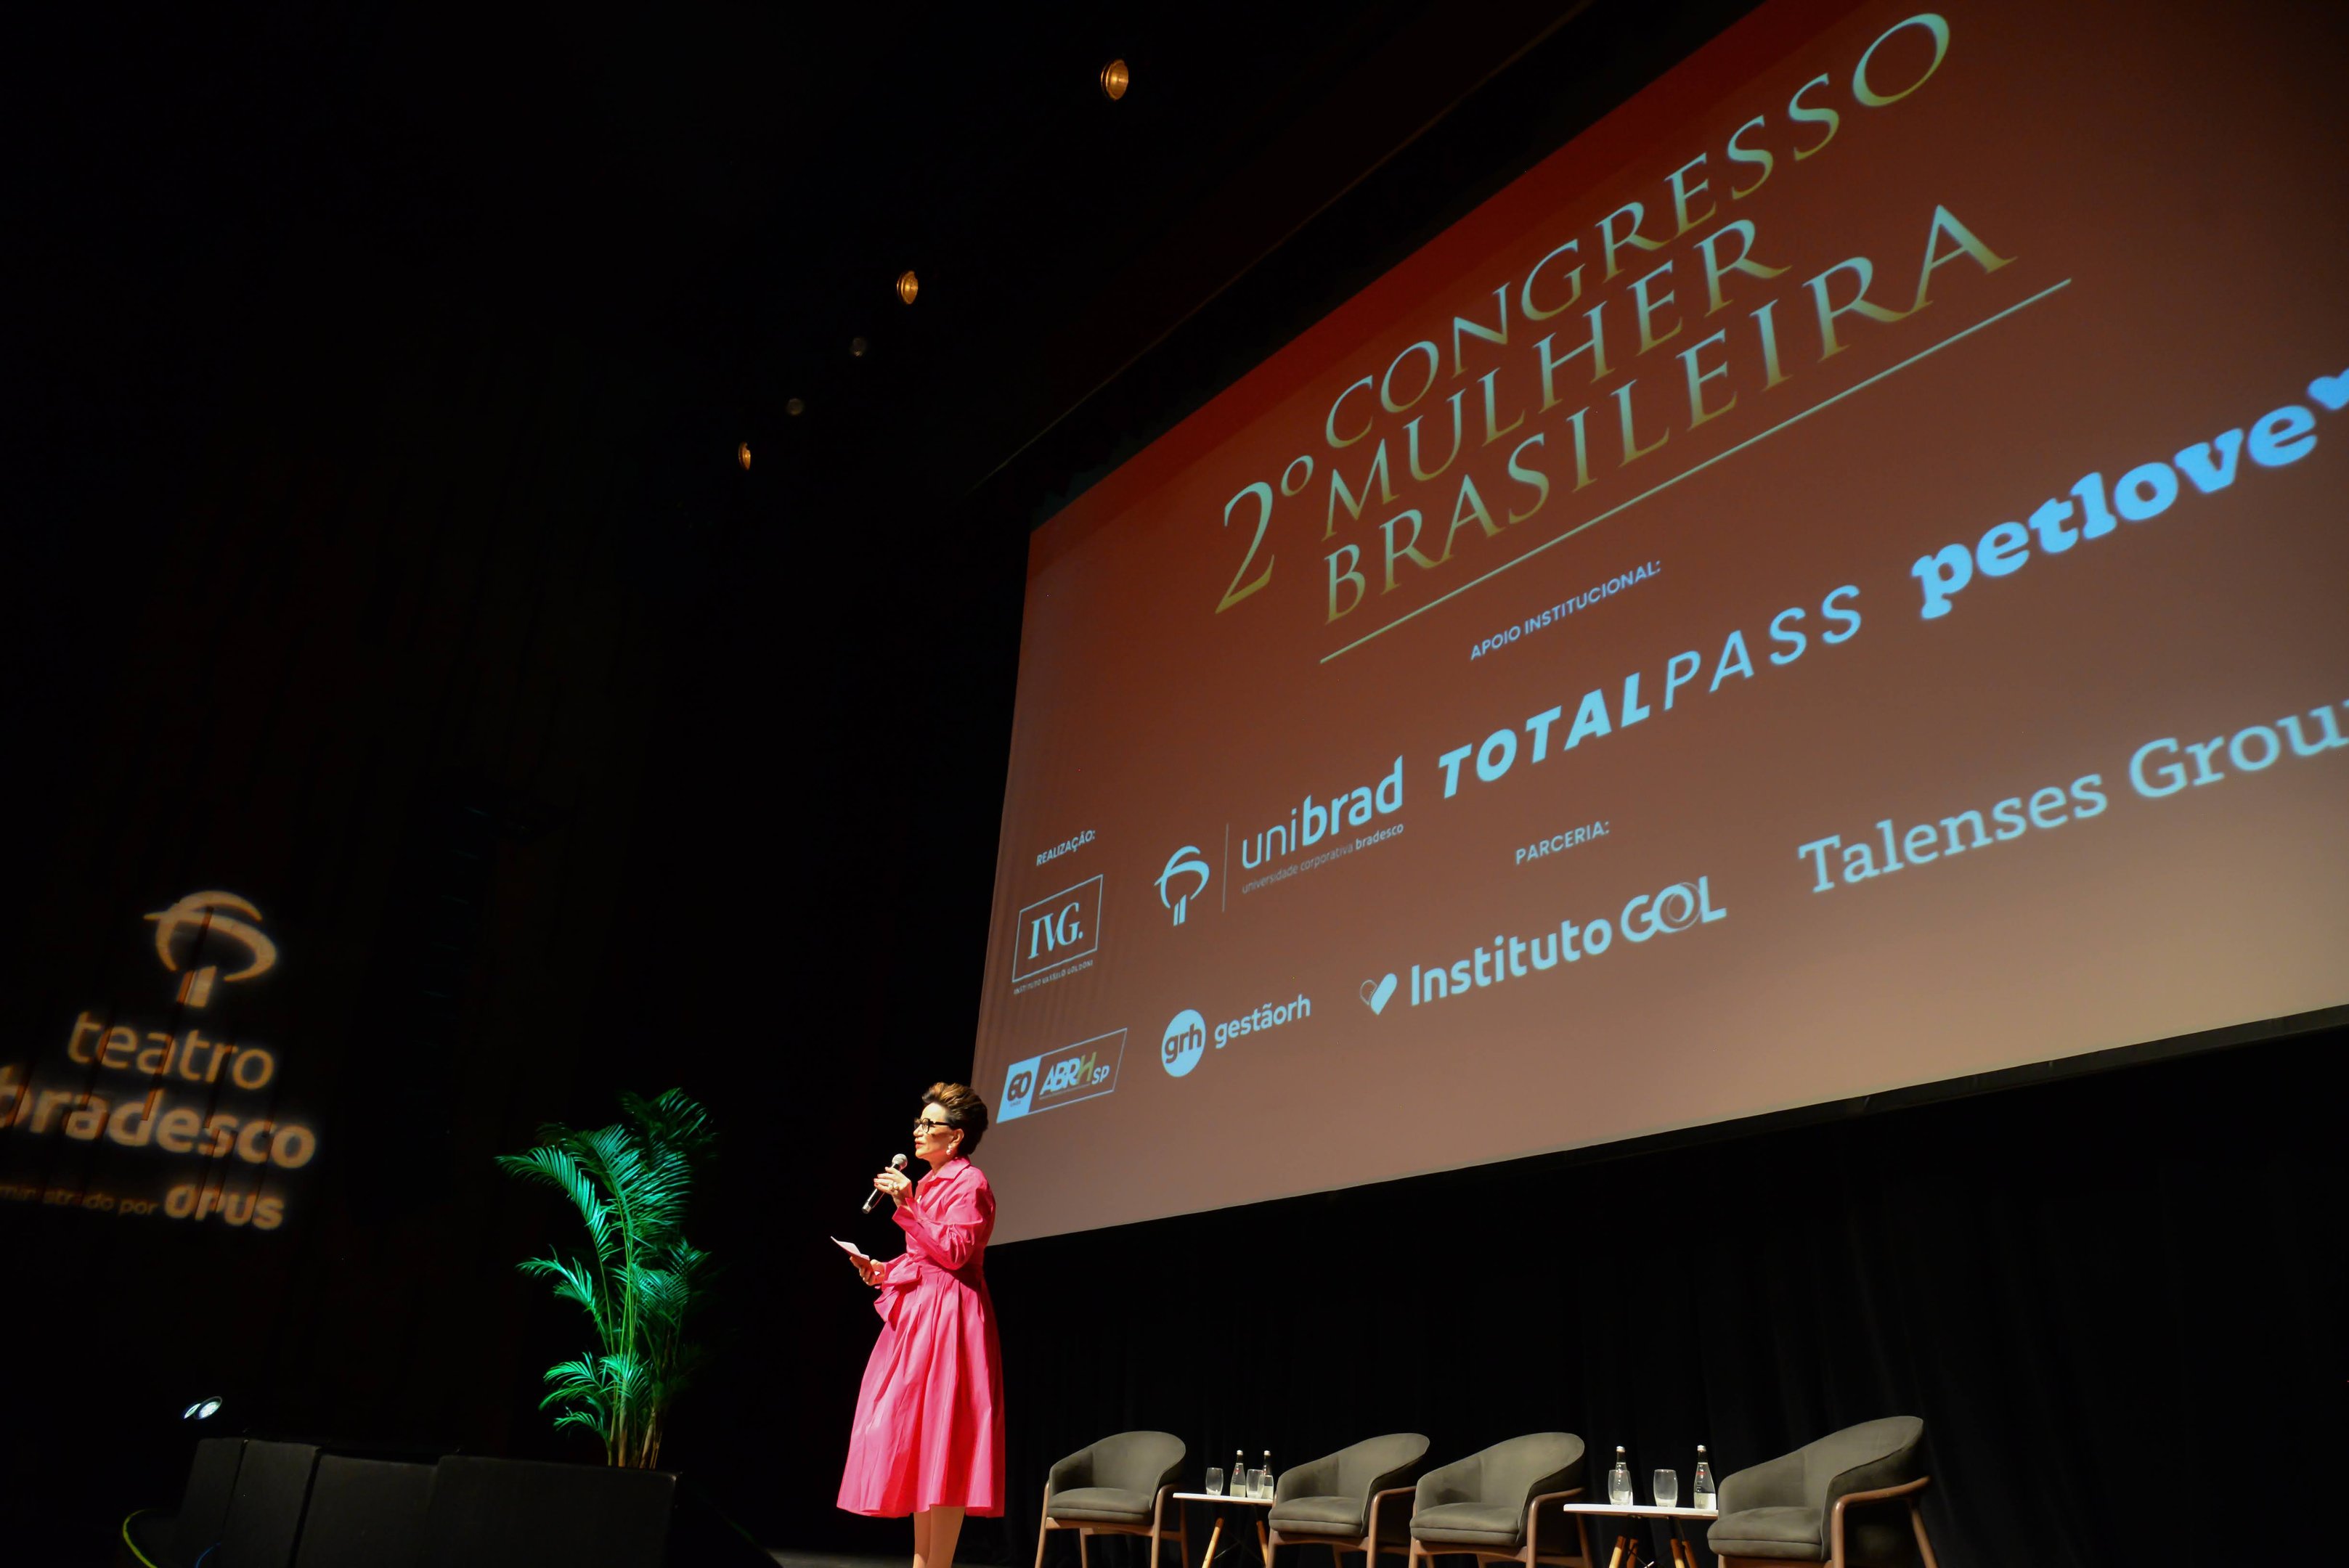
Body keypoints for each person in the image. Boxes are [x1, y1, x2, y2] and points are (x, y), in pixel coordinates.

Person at [838, 1082, 1005, 1568]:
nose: (918, 1130)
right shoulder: (930, 1183)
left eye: (928, 1124)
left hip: (953, 1318)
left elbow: (954, 1254)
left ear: (954, 1138)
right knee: (918, 1436)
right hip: (918, 1315)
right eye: (919, 1122)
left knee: (945, 1440)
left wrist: (906, 1206)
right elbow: (923, 1258)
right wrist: (880, 1270)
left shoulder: (969, 1184)